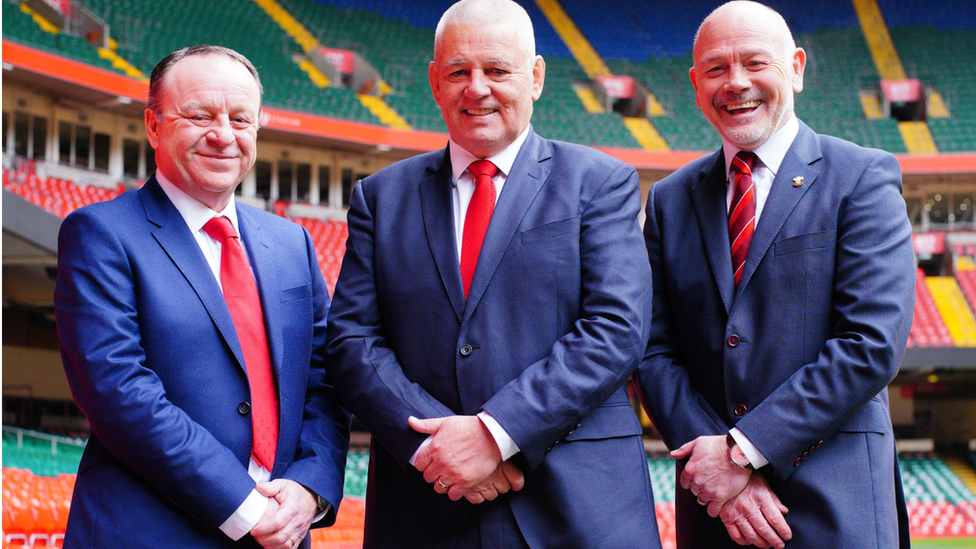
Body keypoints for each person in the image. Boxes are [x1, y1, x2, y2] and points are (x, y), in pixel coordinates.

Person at [324, 0, 661, 547]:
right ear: (435, 82)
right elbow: (352, 342)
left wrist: (494, 434)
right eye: (459, 71)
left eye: (497, 70)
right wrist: (436, 448)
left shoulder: (600, 182)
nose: (476, 88)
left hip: (576, 511)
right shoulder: (380, 197)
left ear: (535, 78)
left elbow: (615, 329)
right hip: (426, 506)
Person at [634, 2, 915, 548]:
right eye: (716, 68)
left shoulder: (861, 177)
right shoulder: (669, 200)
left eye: (755, 63)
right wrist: (718, 468)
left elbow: (869, 344)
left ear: (796, 68)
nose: (736, 83)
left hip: (838, 507)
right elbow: (652, 350)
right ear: (696, 84)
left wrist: (742, 450)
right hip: (716, 511)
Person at [54, 45, 349, 549]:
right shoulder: (100, 234)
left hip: (282, 530)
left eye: (240, 119)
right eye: (199, 115)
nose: (223, 135)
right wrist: (246, 505)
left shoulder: (291, 244)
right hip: (146, 532)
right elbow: (120, 392)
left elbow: (325, 379)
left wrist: (309, 486)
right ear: (153, 125)